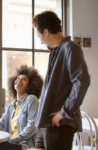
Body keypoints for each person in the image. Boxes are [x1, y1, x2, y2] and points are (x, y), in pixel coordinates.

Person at [32, 10, 90, 150]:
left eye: (38, 34)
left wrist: (65, 112)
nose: (39, 39)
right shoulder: (55, 51)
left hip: (59, 124)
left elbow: (82, 80)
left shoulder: (70, 48)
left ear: (46, 32)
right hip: (45, 123)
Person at [0, 65, 43, 150]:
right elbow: (0, 124)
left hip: (24, 145)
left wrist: (13, 140)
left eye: (24, 79)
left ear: (29, 86)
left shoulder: (31, 99)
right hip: (11, 143)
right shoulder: (12, 105)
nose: (19, 80)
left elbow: (32, 126)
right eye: (18, 78)